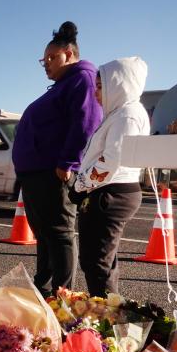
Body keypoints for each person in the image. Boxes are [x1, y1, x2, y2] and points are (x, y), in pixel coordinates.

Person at [12, 21, 102, 297]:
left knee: (60, 234)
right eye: (44, 60)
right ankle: (45, 285)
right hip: (36, 173)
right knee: (45, 234)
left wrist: (68, 163)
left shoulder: (82, 79)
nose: (47, 64)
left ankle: (63, 295)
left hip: (53, 173)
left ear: (70, 54)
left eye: (53, 57)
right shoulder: (63, 85)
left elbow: (87, 122)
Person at [73, 57, 150, 297]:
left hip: (111, 193)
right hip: (109, 190)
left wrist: (81, 184)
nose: (96, 92)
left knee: (97, 263)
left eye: (100, 86)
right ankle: (106, 313)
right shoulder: (120, 113)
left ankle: (106, 320)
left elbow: (111, 160)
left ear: (119, 84)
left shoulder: (126, 115)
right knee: (101, 260)